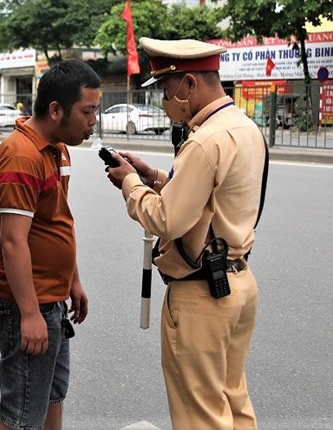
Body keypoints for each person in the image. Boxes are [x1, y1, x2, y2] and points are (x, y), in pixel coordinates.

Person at [105, 38, 267, 430]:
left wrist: (130, 184)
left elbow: (166, 220)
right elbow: (210, 201)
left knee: (201, 415)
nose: (164, 100)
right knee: (233, 399)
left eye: (165, 89)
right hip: (239, 284)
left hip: (201, 295)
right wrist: (155, 177)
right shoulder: (244, 128)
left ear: (189, 84)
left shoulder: (204, 141)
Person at [0, 60, 101, 430]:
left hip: (51, 300)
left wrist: (73, 281)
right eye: (87, 111)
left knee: (51, 397)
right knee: (21, 415)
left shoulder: (57, 148)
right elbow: (13, 240)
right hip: (26, 304)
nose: (94, 120)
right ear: (56, 110)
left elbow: (57, 223)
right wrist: (30, 314)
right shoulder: (22, 155)